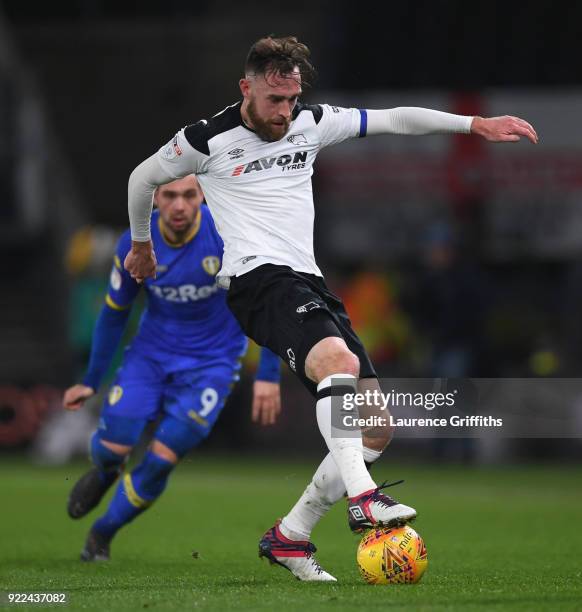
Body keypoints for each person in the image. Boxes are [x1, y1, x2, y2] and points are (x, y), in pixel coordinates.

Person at [122, 36, 538, 581]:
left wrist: (473, 124)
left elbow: (393, 120)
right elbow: (141, 178)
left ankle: (290, 536)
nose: (285, 110)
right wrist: (142, 244)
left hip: (308, 282)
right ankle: (363, 499)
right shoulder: (206, 139)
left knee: (376, 430)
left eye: (292, 97)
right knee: (336, 365)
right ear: (246, 88)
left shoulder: (311, 122)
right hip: (256, 281)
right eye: (274, 99)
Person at [63, 175, 281, 561]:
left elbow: (267, 303)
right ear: (153, 200)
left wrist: (267, 373)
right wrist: (91, 381)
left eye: (188, 195)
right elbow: (115, 315)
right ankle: (105, 472)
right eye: (169, 195)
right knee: (114, 447)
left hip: (213, 364)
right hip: (150, 356)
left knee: (162, 458)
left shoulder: (229, 231)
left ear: (202, 196)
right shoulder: (136, 243)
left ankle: (102, 533)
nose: (179, 205)